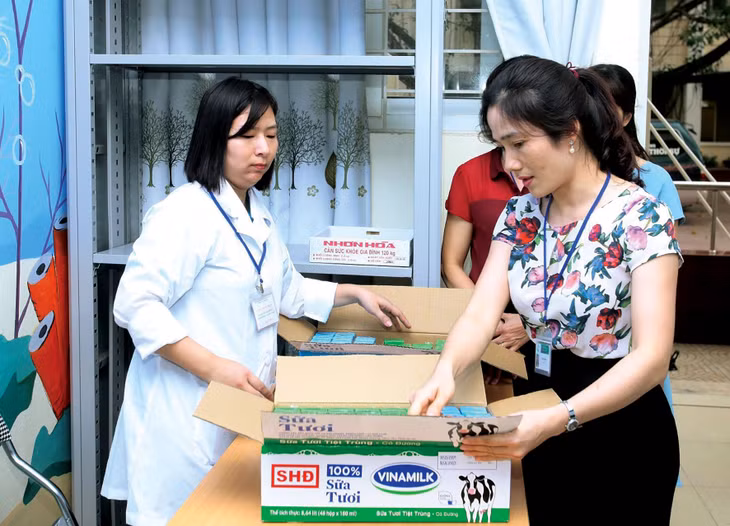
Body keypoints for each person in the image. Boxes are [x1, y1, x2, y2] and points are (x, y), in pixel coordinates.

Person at [100, 78, 411, 526]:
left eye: (271, 134)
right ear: (214, 138)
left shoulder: (257, 210)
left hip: (238, 407)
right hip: (186, 414)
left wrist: (355, 293)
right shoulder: (185, 212)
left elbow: (287, 291)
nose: (263, 149)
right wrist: (215, 368)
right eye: (246, 136)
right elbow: (134, 304)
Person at [410, 56, 681, 525]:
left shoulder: (641, 217)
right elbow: (480, 313)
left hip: (622, 425)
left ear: (570, 131)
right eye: (500, 147)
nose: (509, 164)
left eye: (518, 143)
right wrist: (446, 370)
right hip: (536, 410)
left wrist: (559, 419)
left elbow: (653, 357)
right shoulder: (520, 215)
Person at [591, 63, 683, 408]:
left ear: (627, 116)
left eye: (608, 109)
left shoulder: (656, 179)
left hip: (633, 330)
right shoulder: (566, 180)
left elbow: (664, 270)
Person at [442, 144, 530, 383]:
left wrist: (530, 325)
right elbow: (450, 266)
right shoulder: (470, 174)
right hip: (483, 318)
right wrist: (491, 322)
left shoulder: (557, 175)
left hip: (544, 326)